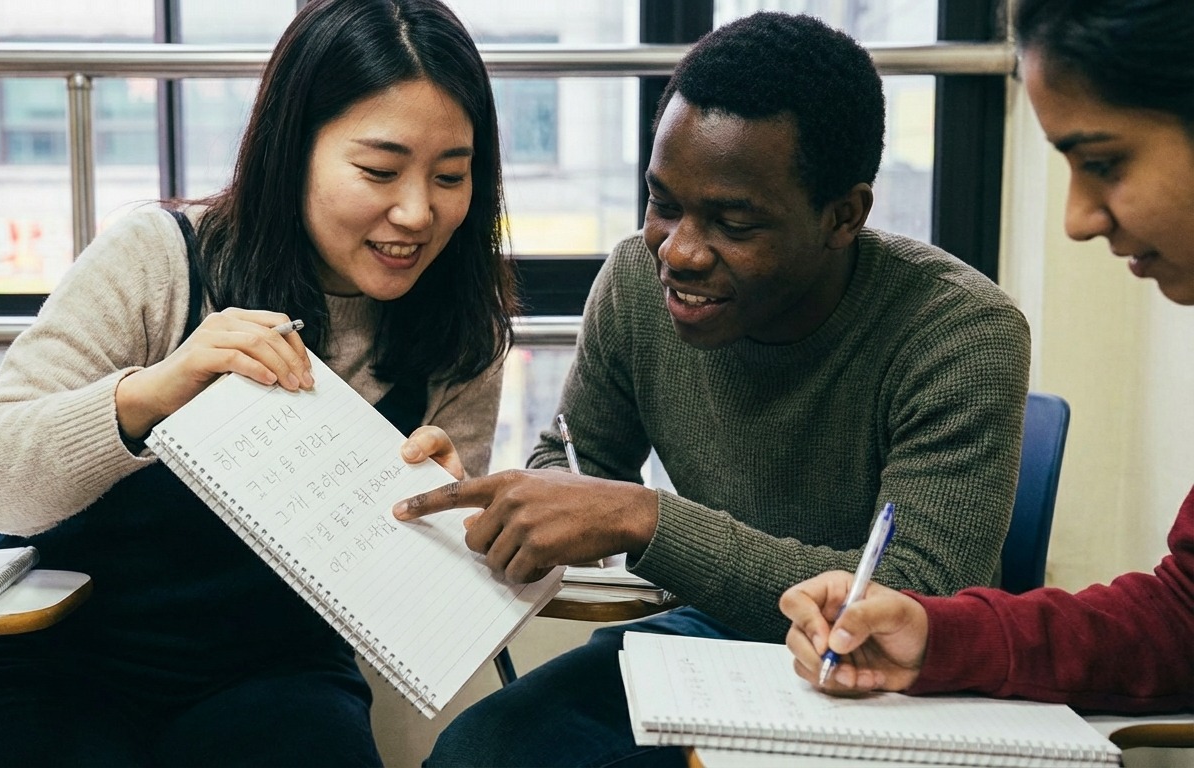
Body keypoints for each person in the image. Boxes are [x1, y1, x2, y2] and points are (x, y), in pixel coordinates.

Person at [398, 11, 1033, 767]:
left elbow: (913, 601)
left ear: (844, 217)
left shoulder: (961, 333)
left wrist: (645, 521)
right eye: (664, 203)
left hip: (880, 684)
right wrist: (529, 506)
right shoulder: (636, 280)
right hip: (709, 640)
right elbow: (572, 458)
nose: (680, 252)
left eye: (732, 221)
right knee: (479, 752)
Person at [0, 0, 513, 765]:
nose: (416, 212)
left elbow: (425, 616)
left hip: (274, 672)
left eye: (451, 176)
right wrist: (152, 394)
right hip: (50, 659)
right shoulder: (158, 259)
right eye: (379, 170)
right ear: (293, 148)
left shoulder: (461, 326)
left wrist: (445, 533)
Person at [780, 0, 1194, 715]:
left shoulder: (960, 327)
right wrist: (937, 635)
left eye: (1104, 162)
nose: (1076, 219)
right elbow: (1183, 621)